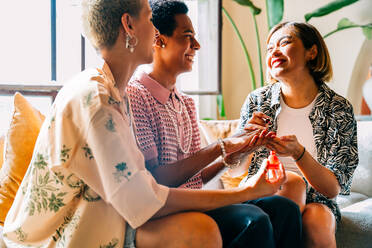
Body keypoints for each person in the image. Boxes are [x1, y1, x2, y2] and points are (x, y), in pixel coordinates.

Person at [3, 0, 287, 248]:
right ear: (129, 25)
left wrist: (229, 156)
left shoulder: (115, 94)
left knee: (275, 210)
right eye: (150, 18)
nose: (155, 31)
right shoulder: (95, 100)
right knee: (207, 230)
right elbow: (146, 200)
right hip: (62, 235)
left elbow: (148, 187)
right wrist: (245, 191)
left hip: (118, 216)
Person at [127, 1, 302, 247]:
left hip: (197, 202)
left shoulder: (185, 102)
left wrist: (234, 152)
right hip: (170, 211)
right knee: (255, 220)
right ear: (159, 39)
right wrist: (222, 145)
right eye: (188, 36)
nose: (196, 46)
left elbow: (194, 179)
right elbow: (156, 180)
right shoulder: (136, 95)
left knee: (285, 209)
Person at [238, 21, 358, 248]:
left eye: (284, 43)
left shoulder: (338, 108)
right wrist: (244, 143)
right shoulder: (258, 100)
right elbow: (235, 168)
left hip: (319, 198)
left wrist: (298, 153)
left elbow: (332, 189)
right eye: (269, 48)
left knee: (317, 221)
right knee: (292, 181)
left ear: (311, 52)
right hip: (260, 191)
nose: (274, 51)